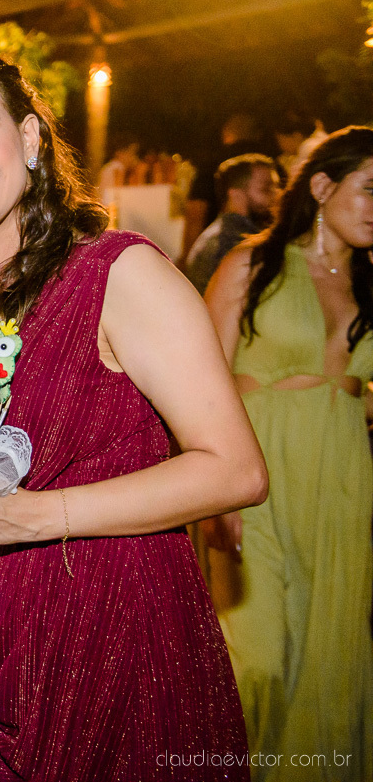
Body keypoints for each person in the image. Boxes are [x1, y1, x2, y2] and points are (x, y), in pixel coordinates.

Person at [0, 44, 265, 781]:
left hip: (116, 634)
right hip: (2, 642)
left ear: (30, 136)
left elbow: (235, 469)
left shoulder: (122, 273)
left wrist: (36, 515)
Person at [201, 126, 373, 782]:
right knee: (259, 662)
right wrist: (214, 492)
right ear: (324, 186)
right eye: (370, 188)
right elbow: (204, 379)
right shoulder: (253, 263)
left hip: (343, 484)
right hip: (256, 477)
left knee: (332, 665)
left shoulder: (370, 282)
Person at [182, 153, 279, 293]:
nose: (276, 195)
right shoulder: (232, 241)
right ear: (235, 194)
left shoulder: (224, 231)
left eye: (276, 187)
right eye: (265, 189)